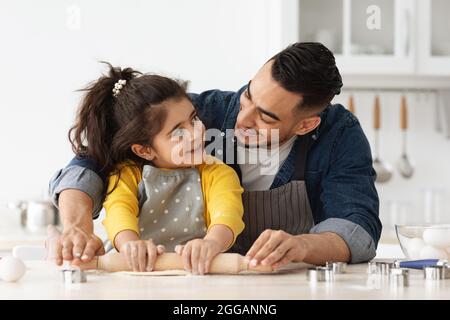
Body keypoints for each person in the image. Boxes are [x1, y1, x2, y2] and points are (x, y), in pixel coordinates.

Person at [49, 42, 381, 270]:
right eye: (248, 94)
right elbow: (94, 156)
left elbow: (358, 229)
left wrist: (304, 246)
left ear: (307, 124)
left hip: (280, 286)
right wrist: (77, 228)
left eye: (265, 117)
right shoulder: (197, 111)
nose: (242, 118)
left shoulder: (339, 135)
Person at [49, 63, 244, 275]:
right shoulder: (127, 174)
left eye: (194, 118)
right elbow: (119, 211)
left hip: (196, 275)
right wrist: (130, 244)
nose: (196, 132)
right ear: (144, 150)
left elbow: (228, 215)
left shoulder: (219, 173)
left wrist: (212, 243)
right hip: (134, 273)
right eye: (179, 132)